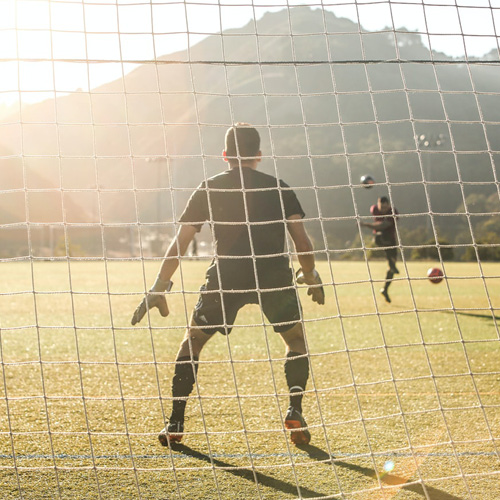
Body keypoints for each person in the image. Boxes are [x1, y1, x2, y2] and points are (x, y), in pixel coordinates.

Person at [131, 123, 325, 447]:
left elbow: (179, 242)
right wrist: (311, 274)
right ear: (259, 155)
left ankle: (176, 422)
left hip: (226, 276)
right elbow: (301, 242)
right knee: (295, 340)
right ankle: (294, 409)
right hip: (273, 274)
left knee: (192, 343)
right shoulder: (279, 188)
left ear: (225, 155)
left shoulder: (209, 188)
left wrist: (159, 286)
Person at [361, 196, 399, 303]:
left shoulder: (393, 212)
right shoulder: (374, 209)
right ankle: (392, 264)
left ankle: (385, 289)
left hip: (390, 241)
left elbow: (382, 225)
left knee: (392, 268)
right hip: (380, 239)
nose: (382, 209)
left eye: (385, 207)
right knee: (379, 236)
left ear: (389, 206)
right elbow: (378, 228)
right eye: (381, 207)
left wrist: (366, 225)